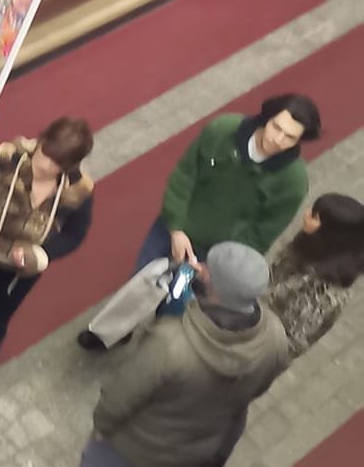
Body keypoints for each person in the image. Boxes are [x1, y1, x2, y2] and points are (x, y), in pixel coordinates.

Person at [3, 243, 289, 467]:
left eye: (206, 268)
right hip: (193, 445)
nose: (198, 267)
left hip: (131, 443)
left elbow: (123, 395)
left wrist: (102, 428)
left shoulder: (173, 342)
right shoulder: (274, 336)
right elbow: (255, 390)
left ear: (215, 287)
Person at [80, 92, 318, 350]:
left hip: (214, 253)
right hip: (172, 229)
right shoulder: (221, 130)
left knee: (181, 301)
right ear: (266, 117)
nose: (277, 139)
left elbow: (261, 234)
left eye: (290, 137)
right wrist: (176, 227)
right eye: (276, 127)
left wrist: (217, 263)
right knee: (141, 281)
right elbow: (184, 177)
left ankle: (155, 345)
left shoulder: (292, 182)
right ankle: (114, 333)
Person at [0, 117, 95, 401]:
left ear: (70, 165)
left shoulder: (79, 190)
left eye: (54, 163)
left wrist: (41, 254)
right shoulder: (9, 157)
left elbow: (75, 235)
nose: (42, 165)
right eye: (43, 153)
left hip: (27, 261)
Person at [265, 192, 364, 358]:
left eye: (315, 216)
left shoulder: (326, 294)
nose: (306, 214)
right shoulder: (309, 244)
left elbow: (287, 341)